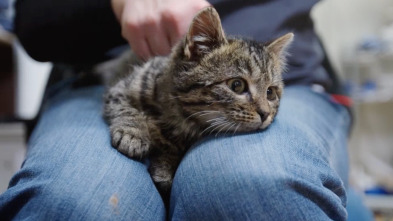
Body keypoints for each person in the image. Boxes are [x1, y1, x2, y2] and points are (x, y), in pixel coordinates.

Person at [0, 0, 364, 220]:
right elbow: (33, 19)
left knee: (253, 185)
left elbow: (261, 97)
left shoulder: (264, 93)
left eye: (270, 95)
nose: (264, 110)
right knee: (71, 203)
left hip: (297, 78)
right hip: (98, 74)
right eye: (241, 88)